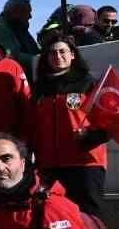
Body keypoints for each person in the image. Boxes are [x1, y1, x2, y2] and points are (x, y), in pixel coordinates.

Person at [27, 35, 109, 218]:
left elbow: (111, 121)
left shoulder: (89, 83)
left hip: (84, 163)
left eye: (62, 51)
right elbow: (32, 125)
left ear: (72, 55)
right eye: (52, 53)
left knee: (90, 216)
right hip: (48, 165)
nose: (57, 56)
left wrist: (90, 136)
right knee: (55, 215)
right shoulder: (39, 89)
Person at [0, 0, 41, 77]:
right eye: (27, 12)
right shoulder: (0, 29)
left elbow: (35, 49)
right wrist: (40, 61)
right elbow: (11, 55)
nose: (30, 16)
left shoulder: (20, 28)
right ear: (15, 12)